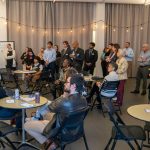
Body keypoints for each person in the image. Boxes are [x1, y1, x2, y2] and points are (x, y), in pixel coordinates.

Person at [24, 74, 87, 149]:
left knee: (26, 125)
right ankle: (39, 122)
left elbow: (50, 106)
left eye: (67, 82)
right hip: (75, 130)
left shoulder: (65, 102)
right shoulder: (84, 100)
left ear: (73, 86)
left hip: (59, 132)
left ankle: (50, 143)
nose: (64, 84)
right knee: (46, 115)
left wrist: (64, 95)